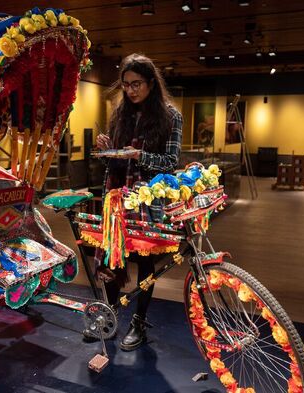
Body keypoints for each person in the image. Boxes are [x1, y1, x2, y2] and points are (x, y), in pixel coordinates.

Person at [94, 53, 182, 351]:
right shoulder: (121, 114)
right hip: (117, 197)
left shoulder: (171, 115)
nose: (131, 90)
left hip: (147, 201)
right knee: (110, 257)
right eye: (126, 85)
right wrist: (108, 149)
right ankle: (110, 314)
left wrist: (139, 156)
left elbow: (170, 162)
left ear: (151, 83)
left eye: (137, 84)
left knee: (145, 262)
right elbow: (112, 164)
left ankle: (139, 322)